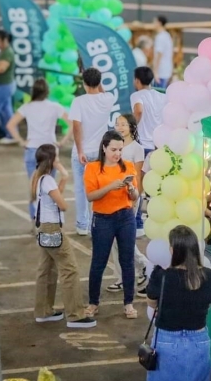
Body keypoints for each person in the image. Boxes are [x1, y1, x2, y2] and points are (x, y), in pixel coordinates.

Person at [30, 145, 96, 328]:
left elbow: (53, 196)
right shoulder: (48, 181)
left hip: (42, 227)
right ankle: (76, 315)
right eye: (57, 158)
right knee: (70, 269)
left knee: (46, 269)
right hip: (52, 228)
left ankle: (43, 311)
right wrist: (61, 172)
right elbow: (63, 205)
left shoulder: (38, 178)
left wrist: (64, 176)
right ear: (51, 160)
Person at [146, 226, 211, 381]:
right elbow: (210, 303)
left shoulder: (161, 276)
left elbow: (152, 303)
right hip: (199, 340)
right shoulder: (210, 277)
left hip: (166, 338)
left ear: (173, 250)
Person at [84, 130, 140, 319]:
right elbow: (90, 196)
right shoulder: (93, 168)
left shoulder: (128, 166)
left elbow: (135, 197)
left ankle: (129, 303)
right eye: (113, 149)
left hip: (125, 217)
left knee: (127, 260)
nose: (117, 154)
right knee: (98, 262)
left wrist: (131, 189)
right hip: (102, 219)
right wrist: (110, 187)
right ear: (104, 148)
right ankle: (93, 303)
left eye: (120, 150)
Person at [7, 79, 69, 220]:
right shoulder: (55, 106)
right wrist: (62, 141)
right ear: (47, 91)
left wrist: (21, 141)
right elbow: (71, 124)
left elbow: (10, 125)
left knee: (34, 187)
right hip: (50, 151)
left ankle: (35, 221)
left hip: (32, 149)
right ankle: (49, 218)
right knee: (50, 187)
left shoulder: (27, 107)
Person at [107, 114, 150, 295]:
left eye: (123, 124)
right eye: (117, 124)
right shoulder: (114, 145)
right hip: (114, 196)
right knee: (116, 240)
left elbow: (138, 175)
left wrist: (135, 196)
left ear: (132, 126)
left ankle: (145, 266)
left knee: (123, 238)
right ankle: (122, 278)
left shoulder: (137, 148)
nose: (120, 127)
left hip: (130, 197)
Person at [72, 68, 117, 235]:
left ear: (83, 83)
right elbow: (102, 92)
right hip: (100, 151)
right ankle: (94, 224)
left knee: (80, 188)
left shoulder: (78, 101)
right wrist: (99, 85)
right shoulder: (108, 98)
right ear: (99, 83)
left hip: (82, 152)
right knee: (98, 188)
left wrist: (79, 150)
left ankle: (82, 224)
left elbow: (76, 127)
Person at [131, 66, 167, 156]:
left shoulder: (136, 95)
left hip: (143, 144)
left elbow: (139, 111)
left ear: (137, 81)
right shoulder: (162, 96)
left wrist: (131, 127)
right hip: (158, 145)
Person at [152, 15, 173, 88]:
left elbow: (159, 54)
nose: (153, 24)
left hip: (161, 72)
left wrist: (155, 72)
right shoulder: (167, 35)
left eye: (155, 22)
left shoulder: (160, 37)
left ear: (159, 23)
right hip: (167, 70)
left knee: (158, 95)